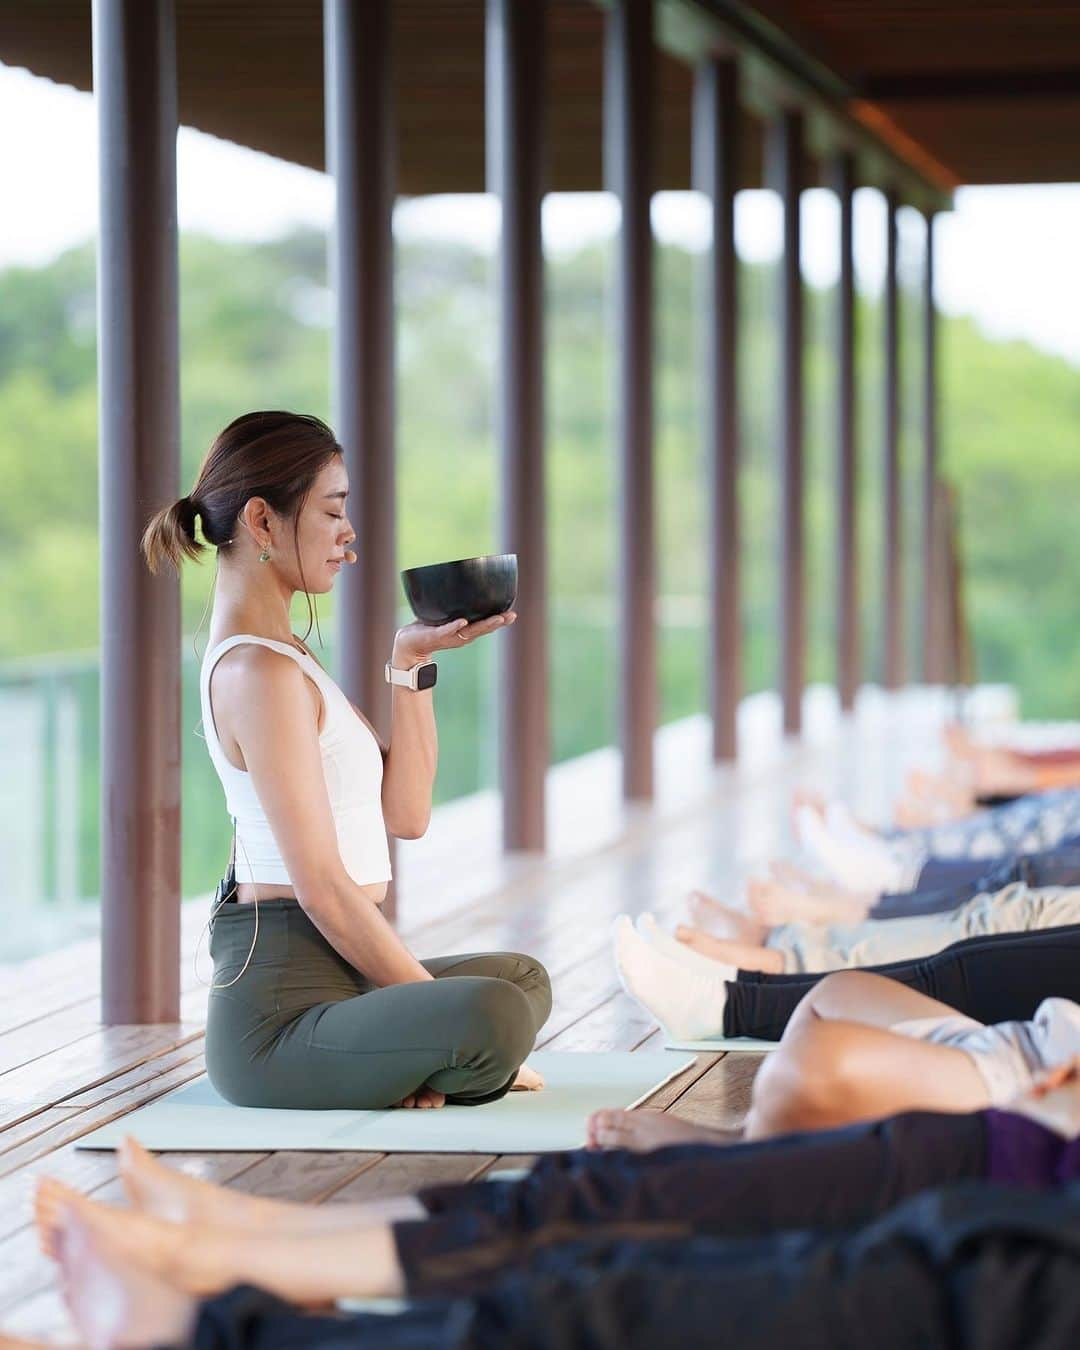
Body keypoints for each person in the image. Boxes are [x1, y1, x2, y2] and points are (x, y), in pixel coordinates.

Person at [25, 1060, 1080, 1347]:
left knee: (623, 1285)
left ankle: (225, 1315)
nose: (349, 533)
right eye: (336, 506)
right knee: (621, 1203)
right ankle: (255, 1240)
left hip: (1031, 1230)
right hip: (1030, 1166)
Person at [140, 411, 551, 1111]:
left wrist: (409, 662)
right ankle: (416, 1057)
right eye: (333, 511)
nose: (348, 535)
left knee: (520, 981)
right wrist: (446, 1022)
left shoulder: (291, 659)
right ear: (263, 522)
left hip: (347, 973)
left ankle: (407, 1059)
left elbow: (406, 814)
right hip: (278, 1017)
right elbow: (324, 889)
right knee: (494, 1017)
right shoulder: (256, 673)